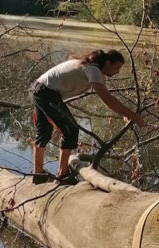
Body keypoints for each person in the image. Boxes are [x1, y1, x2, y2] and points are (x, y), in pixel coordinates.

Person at [30, 49, 145, 184]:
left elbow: (107, 97)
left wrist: (125, 114)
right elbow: (107, 99)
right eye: (117, 67)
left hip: (38, 89)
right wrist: (133, 115)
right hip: (46, 92)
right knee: (71, 130)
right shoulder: (93, 69)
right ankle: (62, 176)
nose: (117, 72)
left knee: (44, 132)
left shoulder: (89, 67)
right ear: (108, 63)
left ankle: (39, 174)